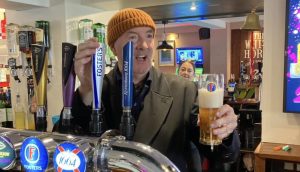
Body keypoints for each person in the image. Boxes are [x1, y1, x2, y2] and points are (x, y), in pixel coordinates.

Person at [56, 8, 240, 172]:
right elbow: (64, 146)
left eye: (149, 36)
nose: (143, 45)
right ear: (113, 48)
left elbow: (223, 155)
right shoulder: (98, 90)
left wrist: (226, 132)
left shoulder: (184, 90)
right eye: (133, 37)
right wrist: (87, 89)